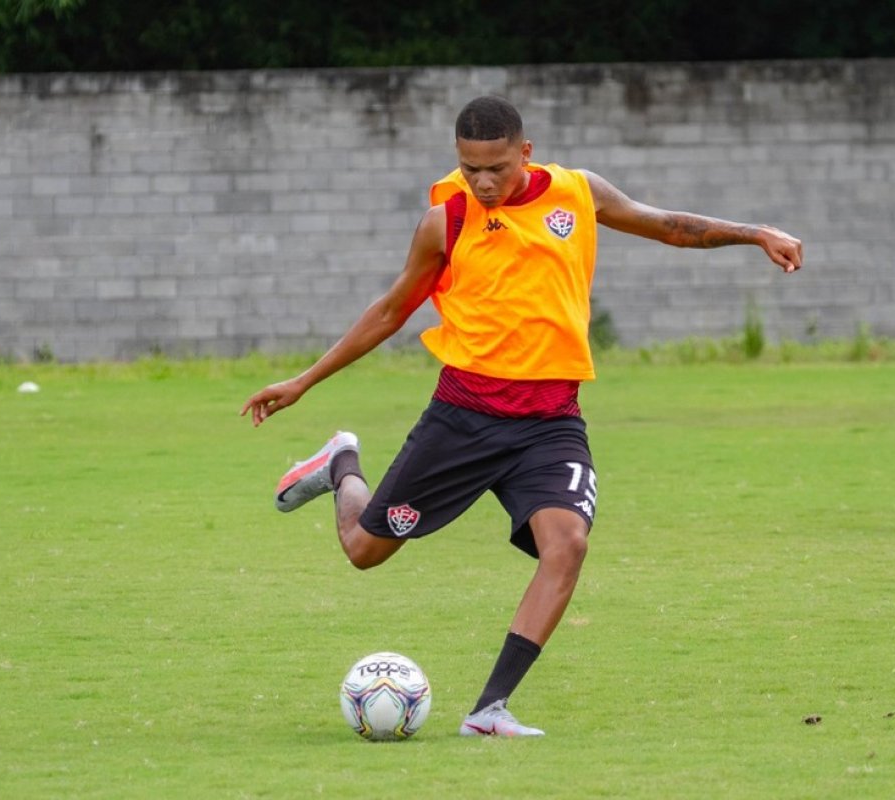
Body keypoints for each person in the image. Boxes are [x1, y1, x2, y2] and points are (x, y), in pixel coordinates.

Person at [242, 95, 802, 736]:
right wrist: (305, 380)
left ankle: (489, 710)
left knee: (567, 544)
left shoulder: (577, 193)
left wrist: (756, 232)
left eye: (497, 168)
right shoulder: (444, 221)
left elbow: (668, 224)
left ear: (526, 153)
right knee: (364, 550)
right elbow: (391, 310)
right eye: (470, 166)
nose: (483, 181)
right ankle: (342, 463)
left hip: (549, 423)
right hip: (463, 416)